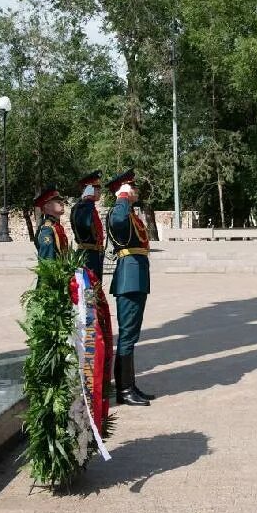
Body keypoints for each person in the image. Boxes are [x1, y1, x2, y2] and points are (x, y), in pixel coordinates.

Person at [106, 169, 155, 407]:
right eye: (131, 187)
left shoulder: (131, 213)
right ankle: (124, 390)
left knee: (131, 336)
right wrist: (122, 198)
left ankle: (129, 385)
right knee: (127, 335)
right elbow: (117, 221)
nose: (135, 190)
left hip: (136, 276)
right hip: (129, 278)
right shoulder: (119, 211)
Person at [70, 170, 105, 279]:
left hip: (94, 254)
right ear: (88, 190)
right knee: (88, 290)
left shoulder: (88, 206)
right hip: (87, 254)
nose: (99, 192)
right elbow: (85, 225)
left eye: (99, 189)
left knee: (95, 290)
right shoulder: (84, 207)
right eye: (96, 189)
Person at [34, 186, 68, 261]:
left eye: (62, 201)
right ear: (47, 206)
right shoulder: (47, 229)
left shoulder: (56, 226)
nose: (62, 204)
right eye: (58, 202)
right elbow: (48, 262)